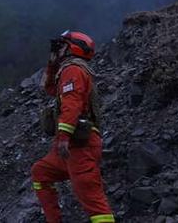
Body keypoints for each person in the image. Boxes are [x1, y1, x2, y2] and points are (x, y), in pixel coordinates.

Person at [30, 30, 115, 223]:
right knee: (41, 172)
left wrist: (63, 138)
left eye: (62, 45)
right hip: (73, 148)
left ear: (71, 48)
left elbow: (72, 104)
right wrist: (52, 64)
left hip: (79, 147)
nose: (58, 49)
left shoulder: (73, 70)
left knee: (93, 201)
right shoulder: (67, 69)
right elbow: (50, 89)